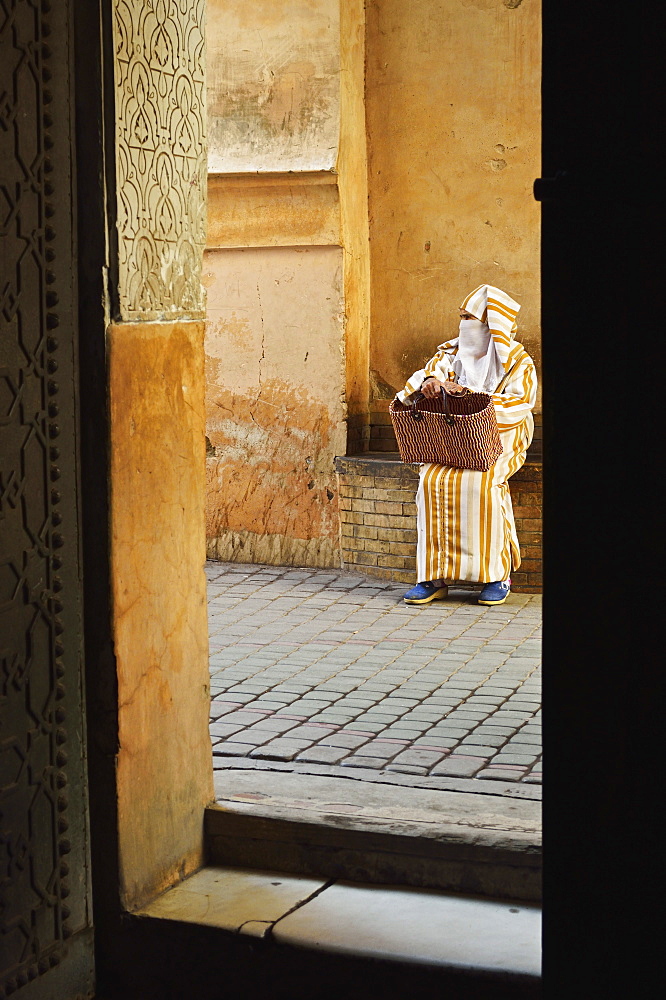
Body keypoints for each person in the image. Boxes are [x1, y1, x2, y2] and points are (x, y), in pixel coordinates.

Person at [396, 284, 537, 606]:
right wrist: (429, 383)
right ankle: (433, 577)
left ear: (491, 323)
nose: (464, 325)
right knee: (431, 481)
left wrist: (470, 398)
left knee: (481, 484)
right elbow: (423, 378)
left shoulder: (517, 359)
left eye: (470, 318)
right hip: (450, 438)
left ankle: (496, 576)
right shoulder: (449, 352)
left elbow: (521, 402)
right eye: (462, 318)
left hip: (501, 436)